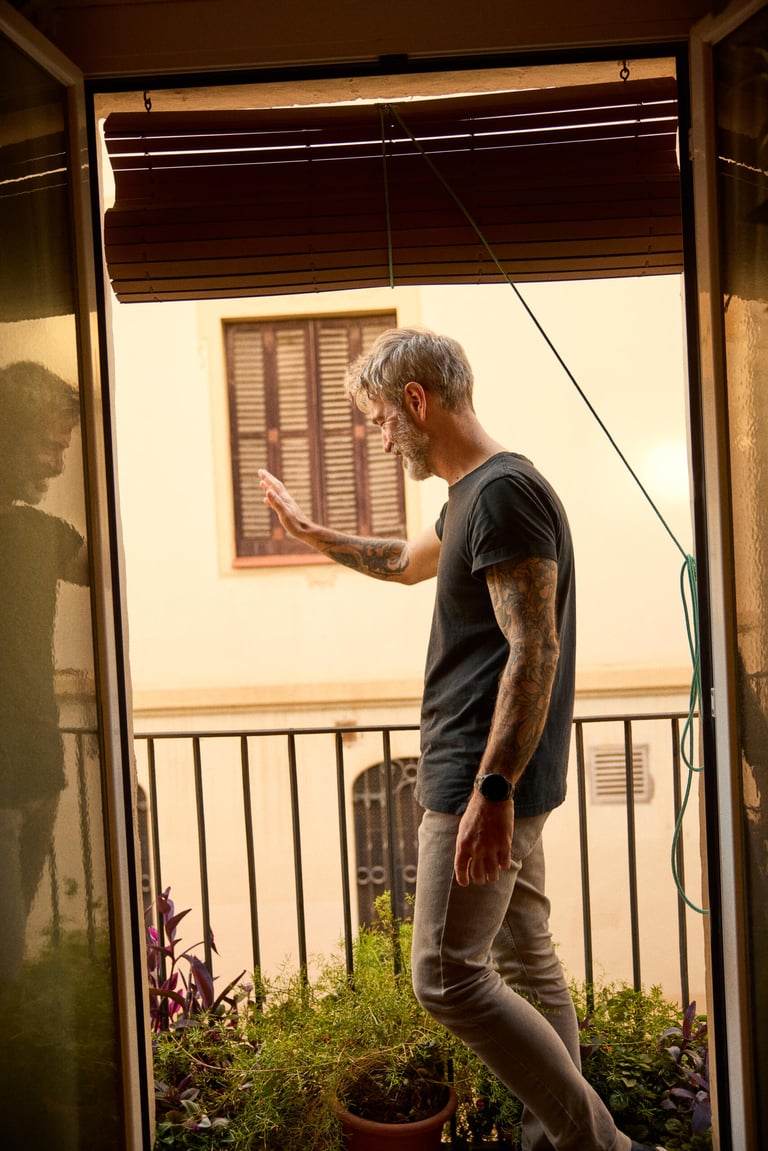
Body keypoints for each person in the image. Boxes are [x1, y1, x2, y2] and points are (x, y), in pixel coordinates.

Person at [258, 327, 664, 1151]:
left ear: (417, 401)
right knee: (527, 959)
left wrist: (491, 794)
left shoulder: (507, 493)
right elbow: (407, 562)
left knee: (444, 975)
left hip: (482, 778)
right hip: (498, 774)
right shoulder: (471, 495)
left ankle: (601, 1145)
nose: (378, 437)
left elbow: (535, 647)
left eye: (378, 419)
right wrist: (309, 533)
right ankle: (557, 1143)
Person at [0, 361, 88, 983]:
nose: (59, 466)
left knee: (10, 963)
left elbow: (103, 571)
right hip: (8, 783)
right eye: (50, 446)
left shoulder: (42, 533)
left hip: (37, 773)